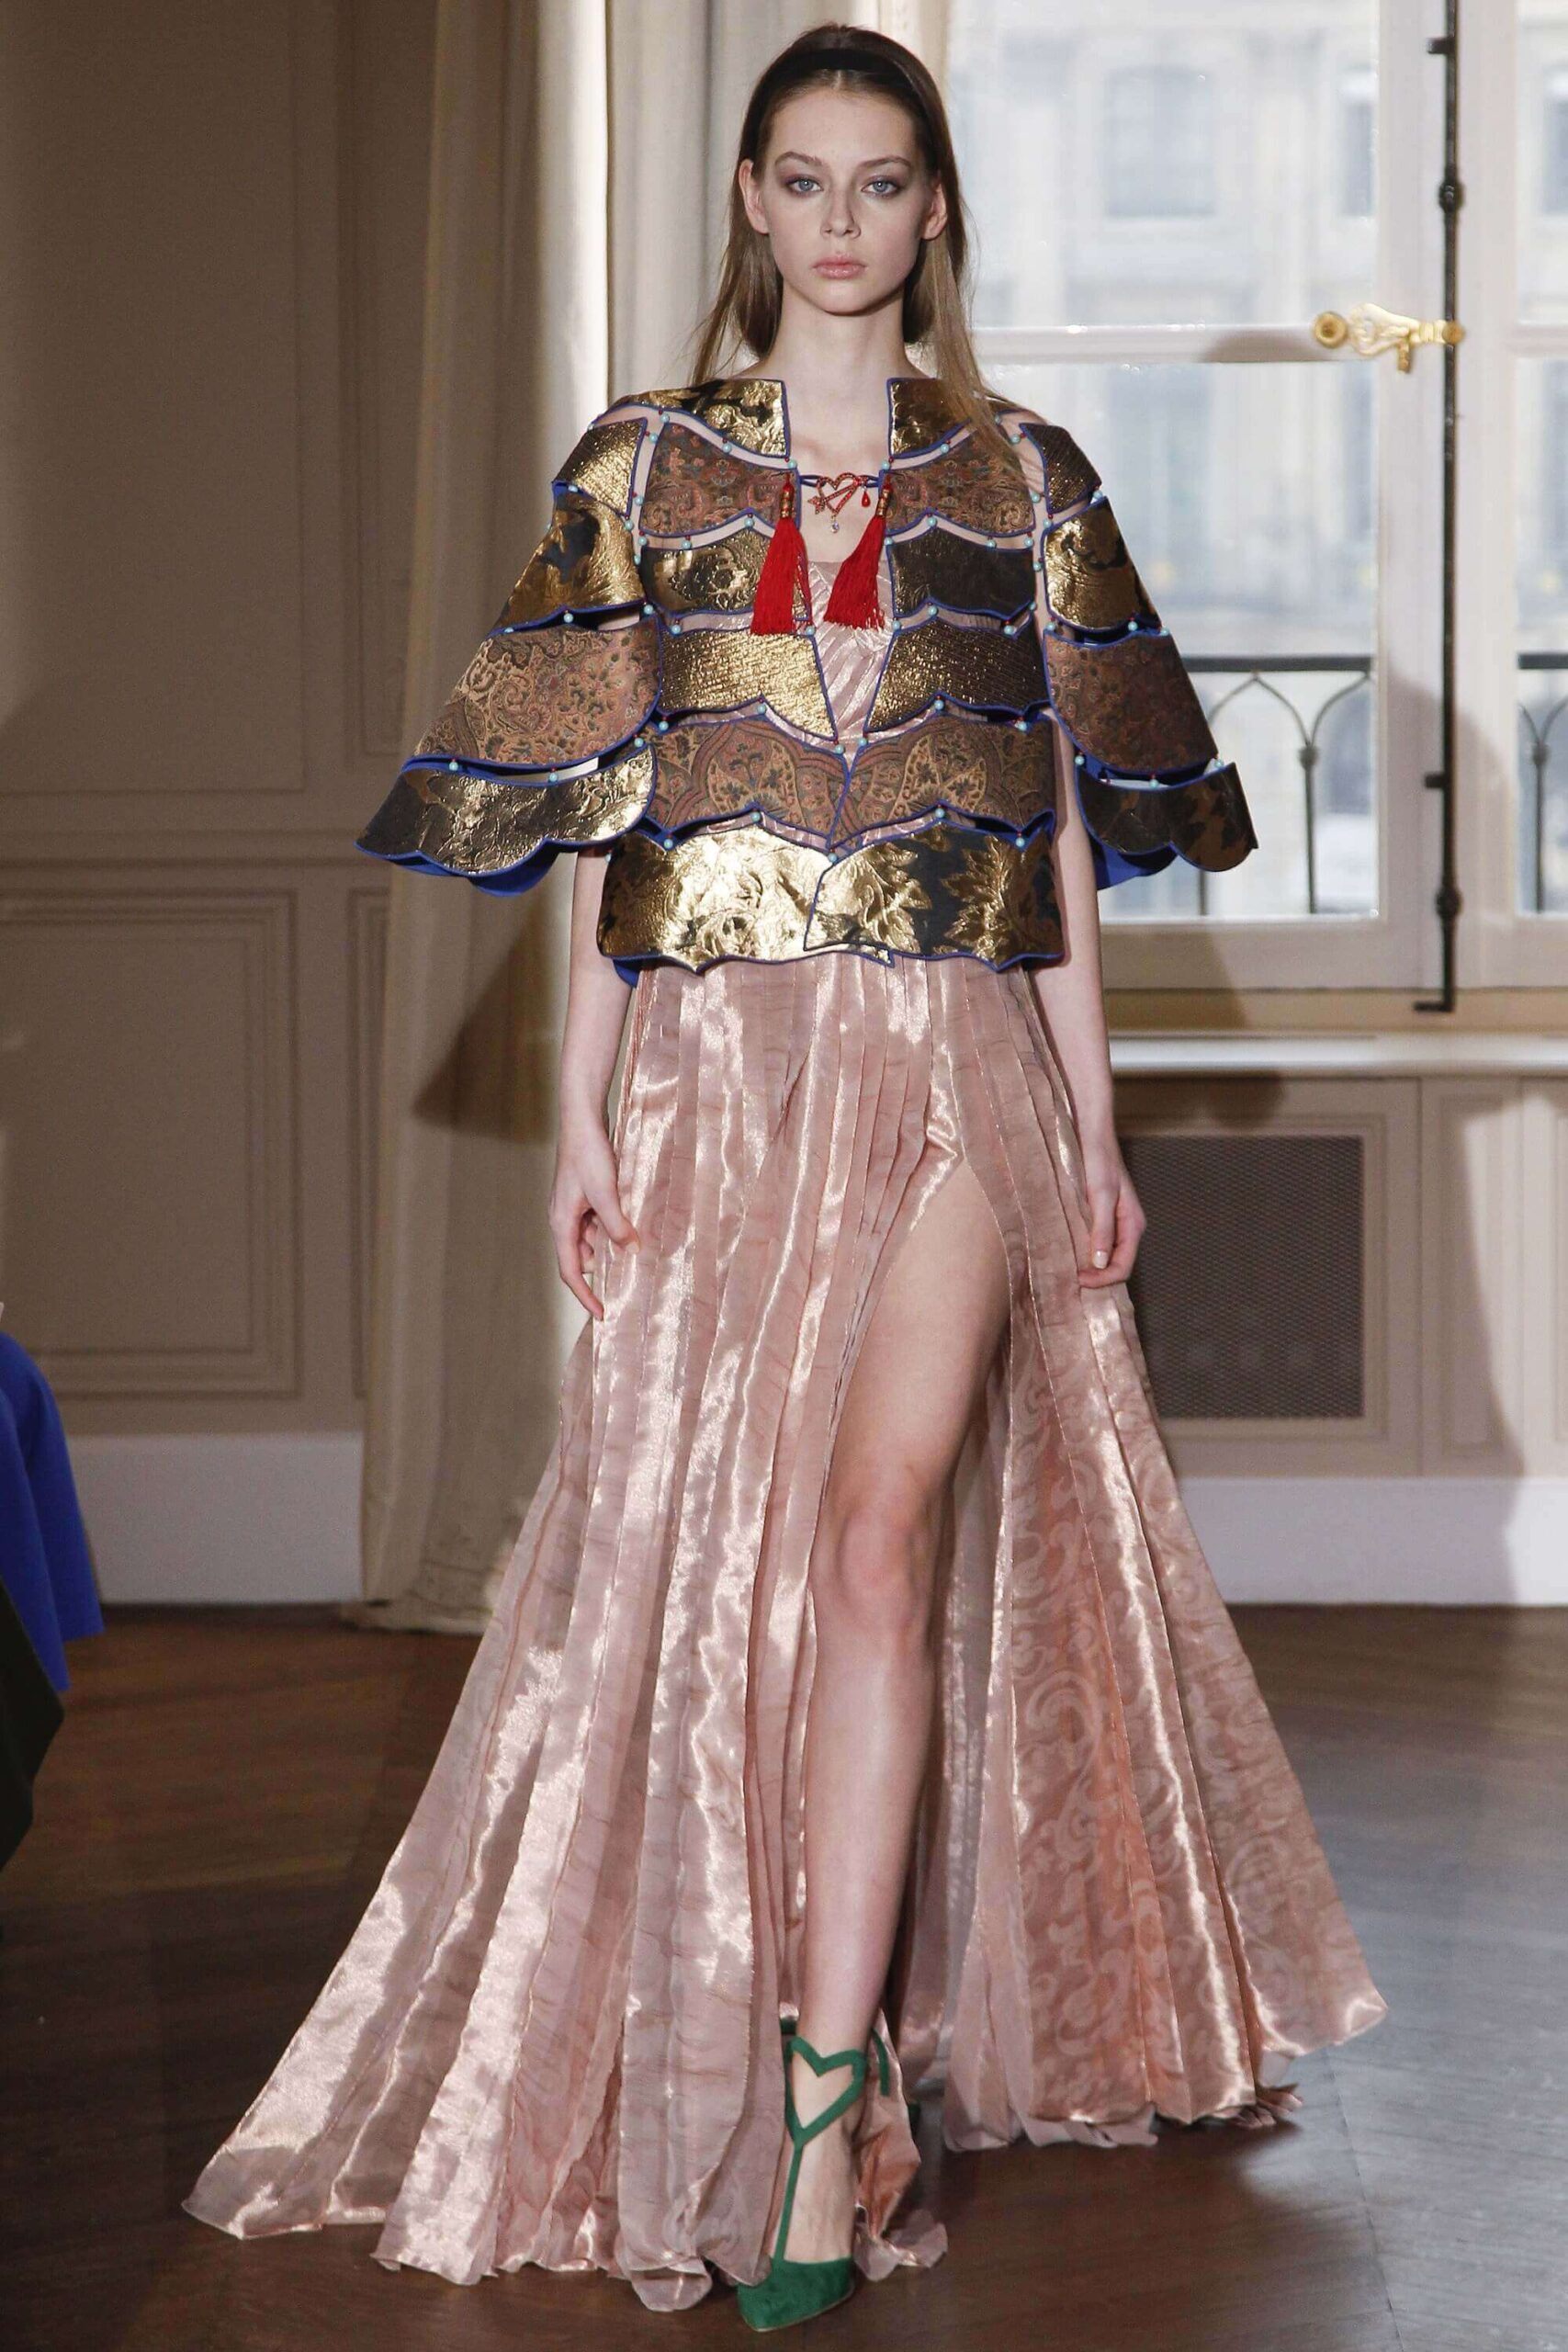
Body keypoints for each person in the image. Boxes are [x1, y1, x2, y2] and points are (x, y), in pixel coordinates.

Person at [183, 23, 1386, 2330]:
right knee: (709, 1558)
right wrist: (576, 1111)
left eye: (881, 180)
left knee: (868, 1533)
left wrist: (1092, 1120)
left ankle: (827, 2094)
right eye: (804, 179)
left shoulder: (1018, 477)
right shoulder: (640, 468)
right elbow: (598, 812)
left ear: (933, 210)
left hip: (954, 1065)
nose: (842, 220)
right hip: (717, 1071)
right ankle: (752, 2028)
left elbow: (1054, 822)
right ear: (751, 200)